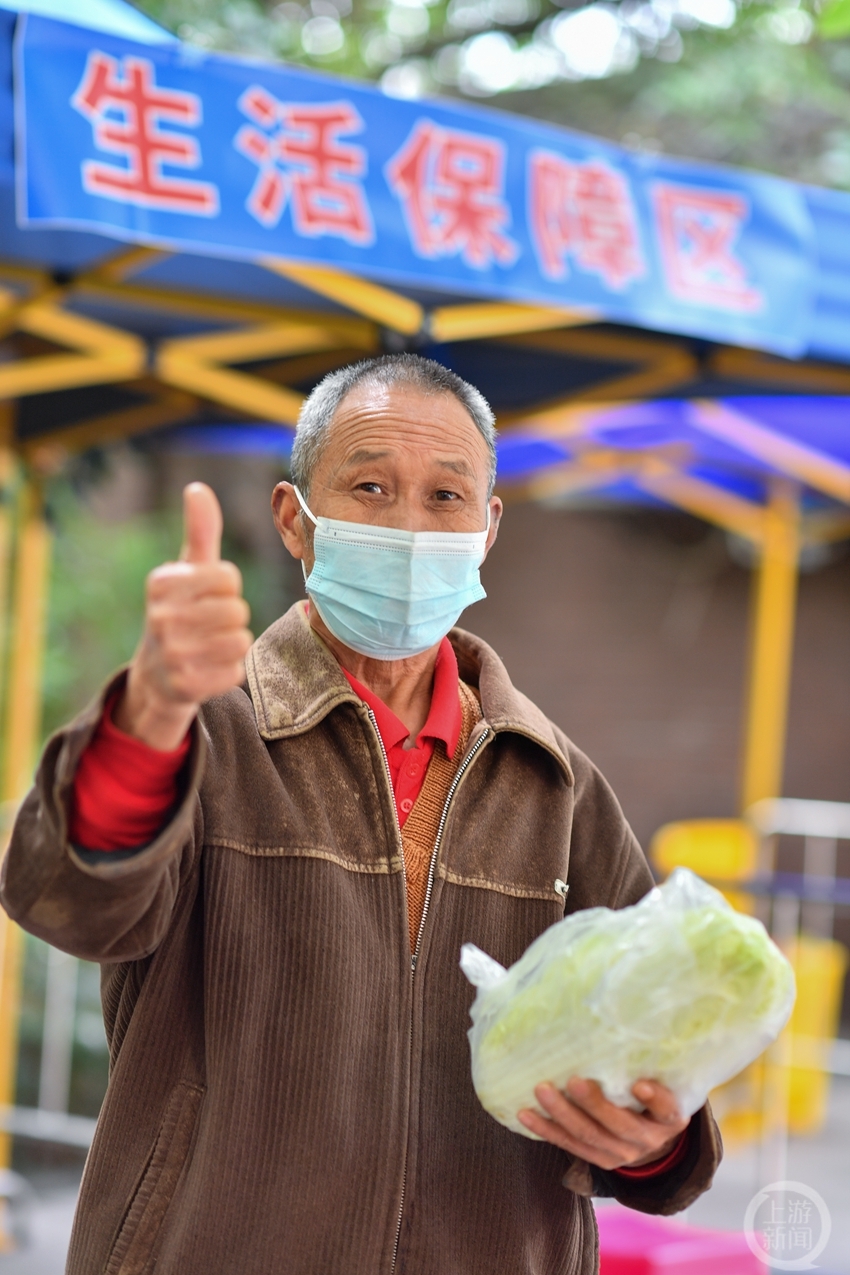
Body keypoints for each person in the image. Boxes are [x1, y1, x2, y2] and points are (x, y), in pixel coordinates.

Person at [0, 354, 720, 1275]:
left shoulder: (557, 785)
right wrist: (145, 716)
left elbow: (649, 1059)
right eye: (371, 486)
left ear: (488, 528)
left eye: (446, 495)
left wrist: (654, 1134)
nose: (411, 525)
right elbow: (68, 900)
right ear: (296, 521)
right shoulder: (204, 730)